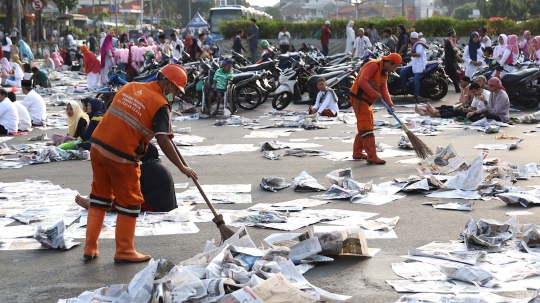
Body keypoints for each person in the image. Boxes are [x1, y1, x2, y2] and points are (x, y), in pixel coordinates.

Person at [82, 64, 197, 263]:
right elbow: (163, 139)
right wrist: (182, 167)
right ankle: (124, 251)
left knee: (100, 198)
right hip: (121, 155)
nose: (176, 96)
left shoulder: (130, 87)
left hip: (97, 147)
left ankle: (90, 248)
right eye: (176, 91)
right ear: (167, 83)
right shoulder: (160, 104)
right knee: (130, 202)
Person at [75, 142, 178, 213]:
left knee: (123, 202)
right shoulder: (156, 164)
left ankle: (93, 204)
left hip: (156, 206)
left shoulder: (147, 168)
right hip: (166, 204)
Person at [350, 53, 402, 164]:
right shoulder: (373, 66)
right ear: (390, 62)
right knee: (366, 126)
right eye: (395, 67)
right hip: (359, 98)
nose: (394, 70)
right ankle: (372, 156)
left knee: (367, 125)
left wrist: (390, 104)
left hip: (366, 100)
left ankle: (357, 152)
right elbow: (362, 81)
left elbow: (384, 90)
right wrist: (374, 94)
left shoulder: (384, 73)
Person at [399, 32, 427, 103]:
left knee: (416, 81)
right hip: (414, 63)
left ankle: (415, 97)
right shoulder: (415, 43)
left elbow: (418, 54)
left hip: (419, 65)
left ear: (411, 38)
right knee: (402, 72)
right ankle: (404, 88)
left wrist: (410, 54)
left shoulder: (418, 44)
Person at [444, 29, 462, 93]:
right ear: (451, 34)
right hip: (450, 61)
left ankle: (457, 88)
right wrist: (460, 58)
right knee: (452, 75)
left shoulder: (451, 40)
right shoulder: (449, 41)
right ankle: (457, 89)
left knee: (451, 75)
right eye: (454, 32)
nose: (455, 33)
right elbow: (453, 52)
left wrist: (456, 40)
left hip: (451, 60)